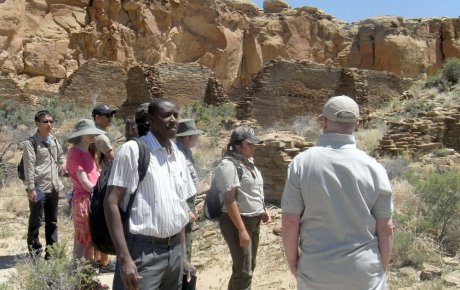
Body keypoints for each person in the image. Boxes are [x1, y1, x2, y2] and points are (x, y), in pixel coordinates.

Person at [281, 95, 394, 290]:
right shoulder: (375, 168)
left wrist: (293, 264)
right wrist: (380, 269)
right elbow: (385, 228)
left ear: (323, 122)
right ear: (356, 125)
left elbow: (290, 222)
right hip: (364, 271)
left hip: (316, 270)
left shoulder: (302, 163)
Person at [105, 98, 196, 290]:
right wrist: (124, 258)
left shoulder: (178, 156)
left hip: (175, 251)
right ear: (150, 120)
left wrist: (184, 258)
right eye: (165, 115)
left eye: (176, 115)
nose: (172, 120)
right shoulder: (133, 150)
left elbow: (179, 207)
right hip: (143, 251)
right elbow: (111, 202)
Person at [214, 125, 271, 290]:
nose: (254, 147)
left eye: (254, 144)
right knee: (244, 271)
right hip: (237, 222)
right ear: (237, 146)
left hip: (252, 221)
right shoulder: (229, 165)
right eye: (250, 144)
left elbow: (252, 190)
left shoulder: (248, 162)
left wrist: (262, 209)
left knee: (247, 266)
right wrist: (241, 229)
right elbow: (229, 200)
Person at [66, 119, 109, 268]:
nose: (92, 135)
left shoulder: (88, 151)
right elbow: (84, 181)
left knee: (91, 241)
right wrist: (100, 193)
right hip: (83, 202)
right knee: (82, 241)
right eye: (88, 132)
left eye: (93, 132)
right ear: (80, 134)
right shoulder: (75, 152)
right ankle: (78, 279)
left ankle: (86, 279)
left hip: (92, 200)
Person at [22, 110, 66, 259]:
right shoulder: (31, 143)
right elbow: (29, 167)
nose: (49, 124)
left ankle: (52, 252)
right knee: (36, 221)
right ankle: (34, 252)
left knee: (52, 221)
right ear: (37, 124)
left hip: (53, 186)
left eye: (51, 121)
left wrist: (63, 164)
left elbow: (60, 156)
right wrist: (30, 188)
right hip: (39, 188)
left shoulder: (54, 139)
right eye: (45, 121)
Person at [175, 118, 203, 262]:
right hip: (183, 204)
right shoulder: (179, 155)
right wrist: (186, 208)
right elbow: (177, 186)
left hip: (186, 203)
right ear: (189, 137)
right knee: (184, 242)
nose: (197, 138)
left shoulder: (183, 152)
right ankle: (184, 278)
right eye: (195, 135)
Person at [92, 104, 117, 171]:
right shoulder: (101, 138)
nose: (110, 119)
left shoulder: (90, 134)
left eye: (111, 116)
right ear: (97, 118)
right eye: (107, 116)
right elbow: (114, 160)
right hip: (102, 177)